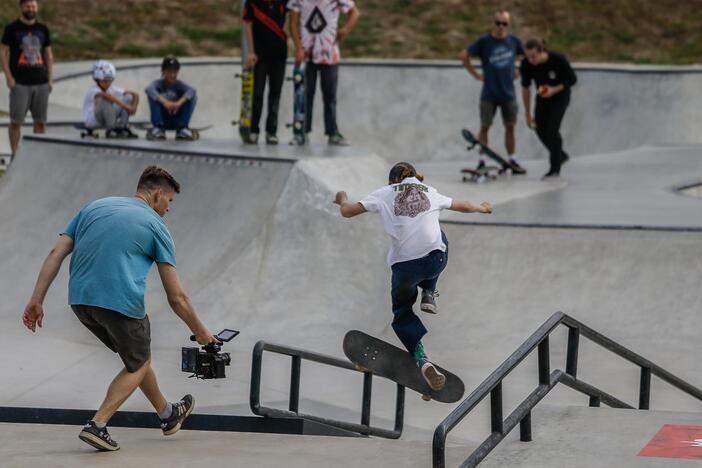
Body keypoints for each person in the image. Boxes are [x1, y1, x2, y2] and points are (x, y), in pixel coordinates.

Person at [21, 166, 218, 452]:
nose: (168, 209)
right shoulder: (155, 225)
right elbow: (177, 297)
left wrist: (36, 299)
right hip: (121, 303)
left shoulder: (94, 207)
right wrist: (201, 332)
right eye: (170, 202)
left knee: (137, 359)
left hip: (81, 301)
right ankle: (97, 425)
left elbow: (57, 252)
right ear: (158, 194)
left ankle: (167, 414)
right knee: (138, 363)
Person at [333, 162, 492, 390]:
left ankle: (421, 359)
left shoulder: (384, 193)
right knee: (440, 239)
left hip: (405, 268)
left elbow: (347, 212)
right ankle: (429, 292)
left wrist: (342, 198)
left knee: (402, 312)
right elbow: (463, 205)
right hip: (434, 261)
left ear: (393, 180)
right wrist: (483, 208)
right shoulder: (430, 192)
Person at [460, 9, 525, 174]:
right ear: (493, 23)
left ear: (509, 25)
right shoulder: (485, 41)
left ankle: (512, 159)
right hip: (489, 93)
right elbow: (464, 55)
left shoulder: (514, 41)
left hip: (508, 93)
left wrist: (521, 71)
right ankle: (482, 160)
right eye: (498, 23)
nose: (501, 26)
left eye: (505, 23)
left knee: (510, 126)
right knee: (485, 126)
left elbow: (528, 57)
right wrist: (475, 74)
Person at [288, 0, 360, 146]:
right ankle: (301, 132)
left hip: (329, 55)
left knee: (330, 97)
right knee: (305, 95)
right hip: (308, 56)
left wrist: (345, 30)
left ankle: (332, 132)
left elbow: (355, 12)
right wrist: (298, 48)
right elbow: (292, 23)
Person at [0, 0, 53, 159]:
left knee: (40, 122)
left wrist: (50, 79)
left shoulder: (42, 29)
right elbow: (3, 52)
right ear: (21, 7)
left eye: (33, 6)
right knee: (16, 121)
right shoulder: (12, 28)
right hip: (20, 83)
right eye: (28, 6)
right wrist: (9, 77)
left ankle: (38, 155)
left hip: (41, 82)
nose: (31, 9)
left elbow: (48, 54)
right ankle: (15, 154)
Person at [520, 38, 577, 179]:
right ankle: (560, 155)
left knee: (552, 129)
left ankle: (554, 169)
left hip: (560, 97)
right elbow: (525, 88)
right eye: (528, 56)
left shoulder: (558, 59)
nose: (531, 60)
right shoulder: (526, 64)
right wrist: (527, 114)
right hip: (542, 98)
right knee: (539, 128)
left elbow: (572, 79)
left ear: (542, 52)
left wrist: (554, 89)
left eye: (533, 56)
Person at [243, 0, 288, 145]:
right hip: (260, 56)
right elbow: (248, 25)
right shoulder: (252, 3)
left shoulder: (283, 2)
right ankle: (254, 130)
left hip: (279, 55)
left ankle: (271, 131)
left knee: (275, 94)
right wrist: (250, 51)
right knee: (257, 94)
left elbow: (293, 16)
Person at [145, 56, 198, 141]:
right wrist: (165, 102)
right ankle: (158, 128)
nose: (172, 75)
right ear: (162, 71)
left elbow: (192, 90)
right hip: (162, 118)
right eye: (169, 72)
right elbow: (148, 89)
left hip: (177, 119)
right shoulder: (157, 84)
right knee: (153, 96)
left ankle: (182, 129)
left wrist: (178, 103)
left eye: (175, 72)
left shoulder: (179, 84)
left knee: (191, 97)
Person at [83, 60, 139, 138]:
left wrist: (134, 107)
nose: (107, 84)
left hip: (106, 117)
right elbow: (107, 96)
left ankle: (122, 127)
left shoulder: (111, 88)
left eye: (109, 81)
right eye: (104, 81)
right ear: (97, 80)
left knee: (128, 97)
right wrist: (126, 107)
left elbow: (135, 94)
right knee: (104, 100)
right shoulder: (93, 90)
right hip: (93, 121)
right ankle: (111, 128)